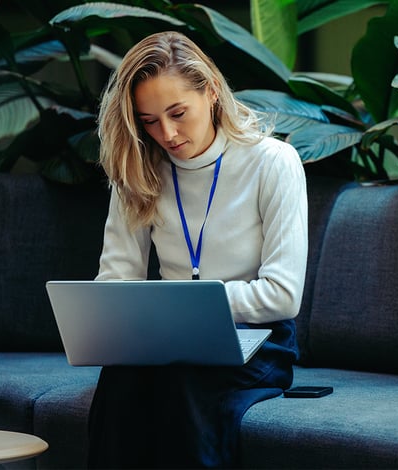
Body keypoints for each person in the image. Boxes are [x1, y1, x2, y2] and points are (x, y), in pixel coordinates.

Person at [88, 31, 308, 468]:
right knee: (122, 377)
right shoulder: (138, 170)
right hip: (165, 337)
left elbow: (283, 295)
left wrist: (192, 303)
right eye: (149, 121)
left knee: (183, 380)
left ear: (210, 92)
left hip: (256, 338)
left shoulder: (273, 162)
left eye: (177, 113)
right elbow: (116, 280)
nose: (167, 133)